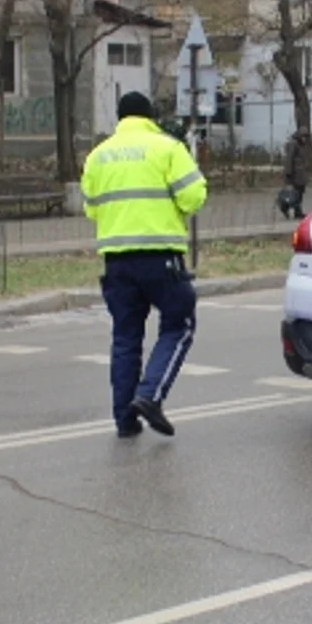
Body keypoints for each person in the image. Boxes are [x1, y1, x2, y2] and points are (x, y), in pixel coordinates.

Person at [82, 91, 209, 438]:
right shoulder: (167, 148)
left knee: (125, 338)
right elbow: (195, 195)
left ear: (120, 119)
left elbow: (91, 207)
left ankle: (125, 421)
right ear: (150, 116)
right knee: (179, 325)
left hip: (116, 263)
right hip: (160, 257)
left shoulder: (98, 155)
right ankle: (150, 395)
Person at [278, 128, 311, 219]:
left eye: (306, 137)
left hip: (300, 175)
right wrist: (288, 172)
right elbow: (289, 159)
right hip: (295, 175)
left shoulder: (301, 145)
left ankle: (298, 212)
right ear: (299, 136)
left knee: (299, 194)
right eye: (303, 136)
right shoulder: (294, 144)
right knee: (294, 194)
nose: (305, 139)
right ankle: (285, 207)